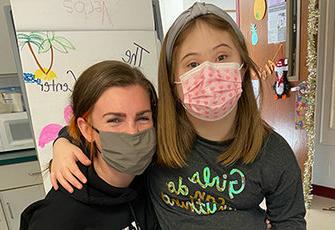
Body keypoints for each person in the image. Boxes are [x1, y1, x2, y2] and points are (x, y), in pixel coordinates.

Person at [50, 3, 306, 229]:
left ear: (241, 66)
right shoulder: (155, 133)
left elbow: (290, 220)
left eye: (221, 57)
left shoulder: (273, 151)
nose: (209, 72)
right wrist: (62, 142)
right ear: (173, 81)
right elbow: (104, 130)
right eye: (192, 64)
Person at [20, 60, 160, 230]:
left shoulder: (155, 179)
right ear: (87, 129)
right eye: (114, 120)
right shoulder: (58, 216)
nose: (132, 132)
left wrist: (62, 140)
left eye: (143, 118)